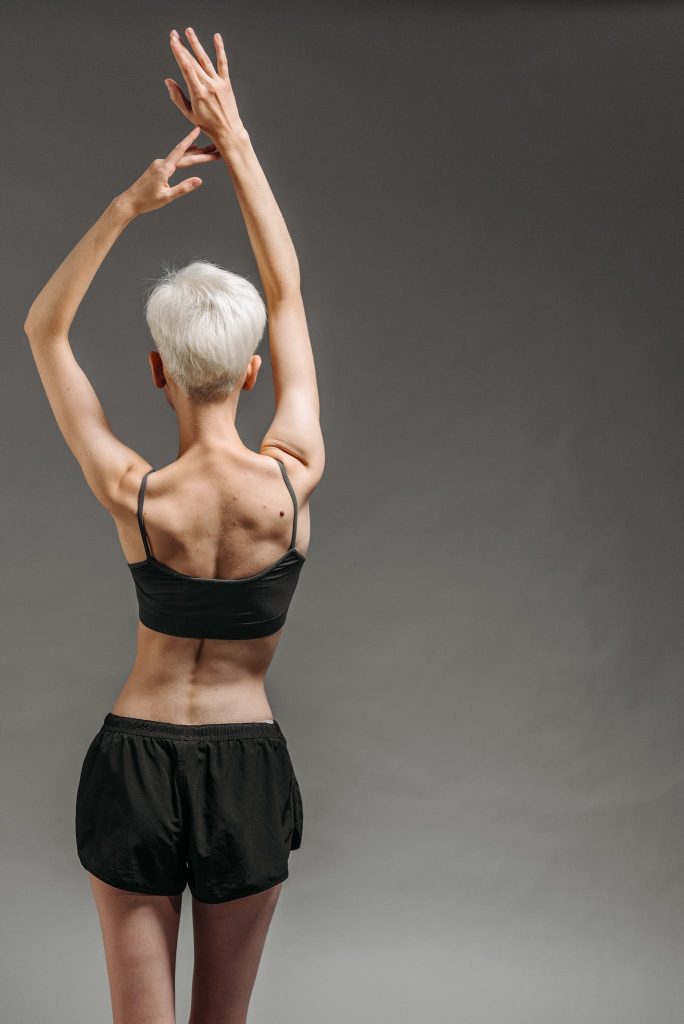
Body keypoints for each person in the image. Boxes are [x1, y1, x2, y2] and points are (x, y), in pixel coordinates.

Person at [23, 26, 324, 1024]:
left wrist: (125, 206)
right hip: (244, 763)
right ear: (250, 373)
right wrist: (234, 140)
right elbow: (285, 291)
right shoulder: (292, 481)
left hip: (136, 760)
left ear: (155, 370)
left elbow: (43, 329)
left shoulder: (133, 493)